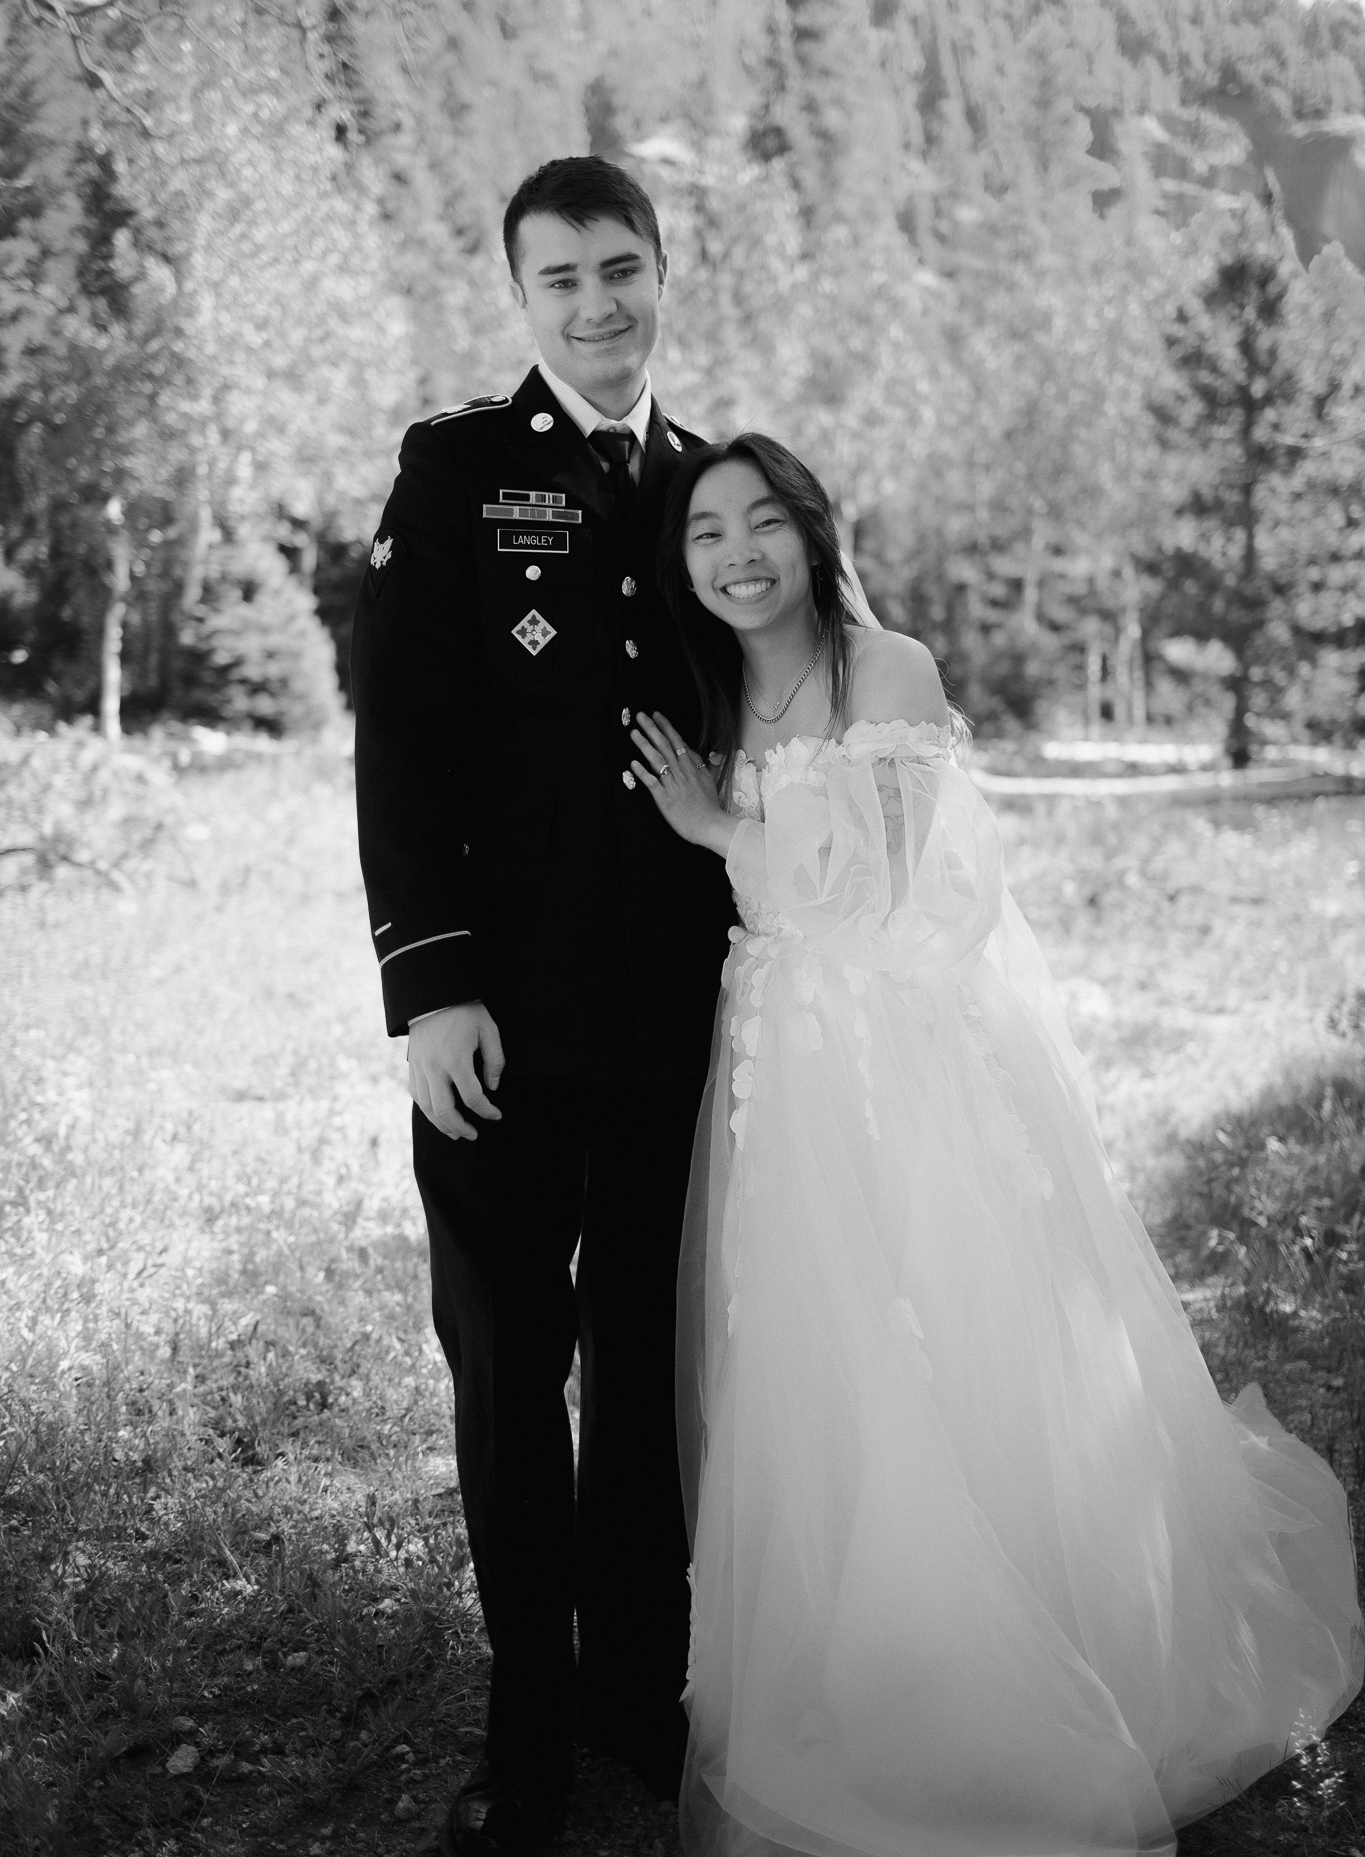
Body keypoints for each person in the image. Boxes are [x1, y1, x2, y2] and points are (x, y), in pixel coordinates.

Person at [627, 432, 1364, 1857]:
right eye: (705, 531)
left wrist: (720, 829)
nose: (736, 554)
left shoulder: (887, 669)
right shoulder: (711, 686)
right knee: (812, 1348)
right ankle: (867, 1646)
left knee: (944, 1330)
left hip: (899, 1055)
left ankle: (1029, 1648)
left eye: (762, 522)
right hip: (776, 1057)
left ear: (810, 532)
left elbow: (884, 893)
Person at [350, 157, 735, 1857]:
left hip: (672, 1020)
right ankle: (524, 1727)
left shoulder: (707, 483)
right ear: (520, 295)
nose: (595, 304)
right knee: (513, 1368)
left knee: (647, 1368)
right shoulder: (457, 467)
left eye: (619, 267)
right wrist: (430, 988)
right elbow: (401, 741)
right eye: (560, 277)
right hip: (499, 1023)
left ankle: (635, 1688)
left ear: (662, 271)